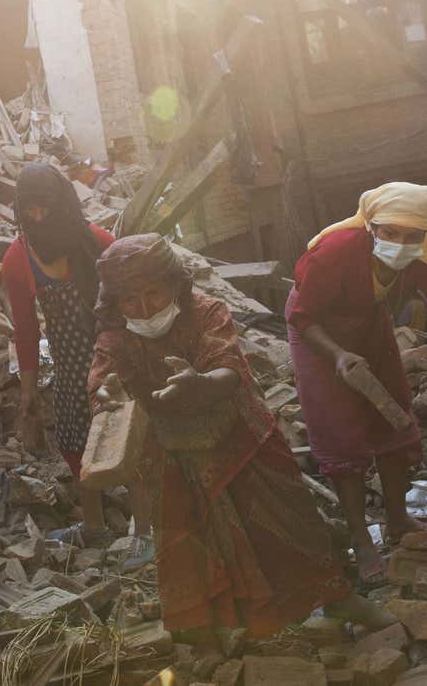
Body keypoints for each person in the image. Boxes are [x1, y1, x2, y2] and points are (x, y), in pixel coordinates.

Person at [88, 235, 351, 640]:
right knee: (193, 541)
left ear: (174, 285)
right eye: (129, 301)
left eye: (153, 294)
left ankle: (338, 598)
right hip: (173, 456)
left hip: (242, 439)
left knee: (290, 523)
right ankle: (218, 633)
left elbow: (227, 367)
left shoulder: (207, 311)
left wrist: (201, 384)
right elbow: (104, 382)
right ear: (115, 303)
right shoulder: (116, 338)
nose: (143, 309)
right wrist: (106, 393)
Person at [286, 183, 427, 582]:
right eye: (390, 233)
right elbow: (303, 317)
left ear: (424, 234)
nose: (400, 242)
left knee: (394, 409)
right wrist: (338, 355)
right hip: (317, 329)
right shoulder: (336, 253)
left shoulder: (418, 255)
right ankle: (360, 536)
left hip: (368, 320)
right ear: (372, 227)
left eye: (412, 235)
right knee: (338, 426)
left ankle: (397, 517)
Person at [0, 163, 117, 542]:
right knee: (74, 443)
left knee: (127, 432)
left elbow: (131, 302)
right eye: (29, 209)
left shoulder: (98, 242)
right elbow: (26, 330)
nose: (37, 216)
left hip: (113, 356)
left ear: (62, 203)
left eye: (44, 207)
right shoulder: (18, 259)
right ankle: (95, 525)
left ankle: (147, 525)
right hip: (69, 366)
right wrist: (28, 390)